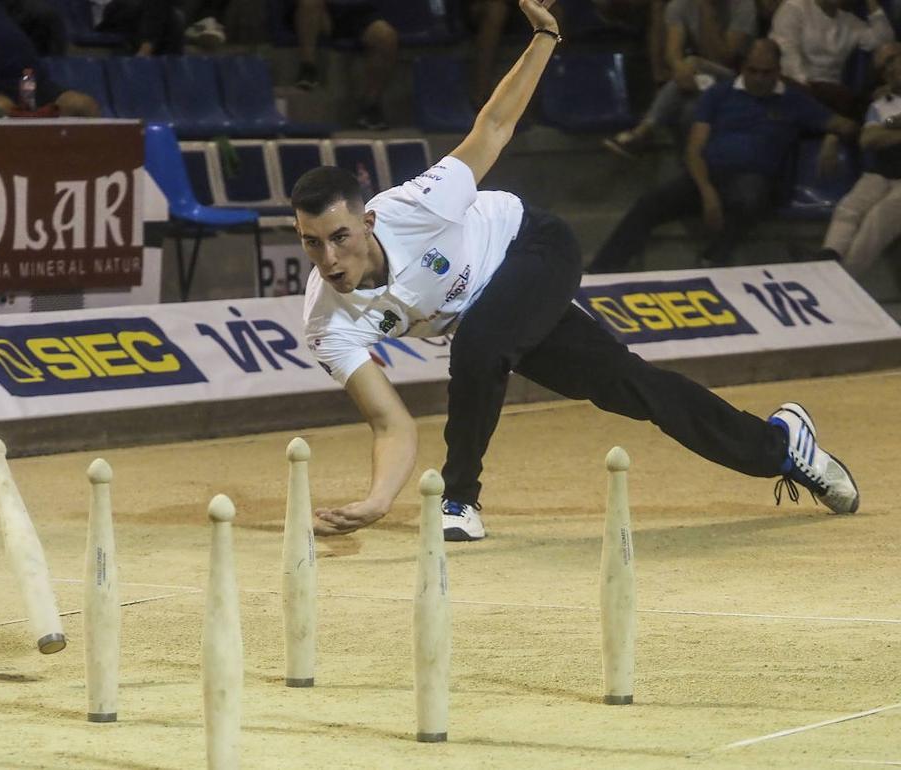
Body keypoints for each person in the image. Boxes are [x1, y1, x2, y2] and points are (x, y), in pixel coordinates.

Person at [293, 15, 859, 542]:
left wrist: (544, 38)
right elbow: (389, 423)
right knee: (632, 388)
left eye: (340, 237)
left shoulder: (418, 206)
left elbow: (493, 125)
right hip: (493, 312)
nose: (330, 258)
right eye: (312, 243)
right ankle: (780, 447)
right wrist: (376, 500)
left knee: (479, 345)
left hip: (533, 246)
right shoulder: (327, 320)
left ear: (366, 222)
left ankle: (459, 501)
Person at [588, 39, 857, 272]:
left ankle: (713, 259)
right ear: (743, 67)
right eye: (753, 71)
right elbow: (695, 149)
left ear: (778, 70)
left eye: (767, 72)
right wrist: (707, 193)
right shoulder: (720, 94)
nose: (760, 78)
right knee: (647, 204)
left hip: (757, 179)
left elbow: (848, 125)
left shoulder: (793, 100)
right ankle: (600, 271)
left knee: (750, 196)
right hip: (708, 174)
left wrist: (832, 137)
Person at [605, 0, 756, 157]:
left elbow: (724, 58)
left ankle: (643, 131)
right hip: (700, 79)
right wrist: (680, 69)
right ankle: (690, 171)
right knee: (688, 109)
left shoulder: (743, 5)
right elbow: (672, 52)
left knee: (693, 64)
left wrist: (705, 12)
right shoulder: (680, 5)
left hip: (739, 79)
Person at [818, 41, 901, 276]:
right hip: (881, 173)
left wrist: (889, 131)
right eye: (889, 70)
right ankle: (829, 255)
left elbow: (879, 135)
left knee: (879, 217)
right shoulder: (878, 103)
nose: (894, 73)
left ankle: (844, 275)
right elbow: (868, 139)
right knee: (850, 207)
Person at [769, 0, 894, 117]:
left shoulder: (850, 22)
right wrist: (807, 91)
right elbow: (787, 58)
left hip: (834, 96)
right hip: (796, 89)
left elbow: (884, 40)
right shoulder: (794, 8)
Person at [289, 0, 399, 131]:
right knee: (310, 2)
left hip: (357, 11)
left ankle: (371, 105)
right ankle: (307, 67)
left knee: (386, 36)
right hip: (322, 12)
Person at [91, 0, 185, 56]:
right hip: (109, 9)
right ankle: (145, 49)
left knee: (175, 17)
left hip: (146, 9)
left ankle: (167, 80)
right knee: (173, 18)